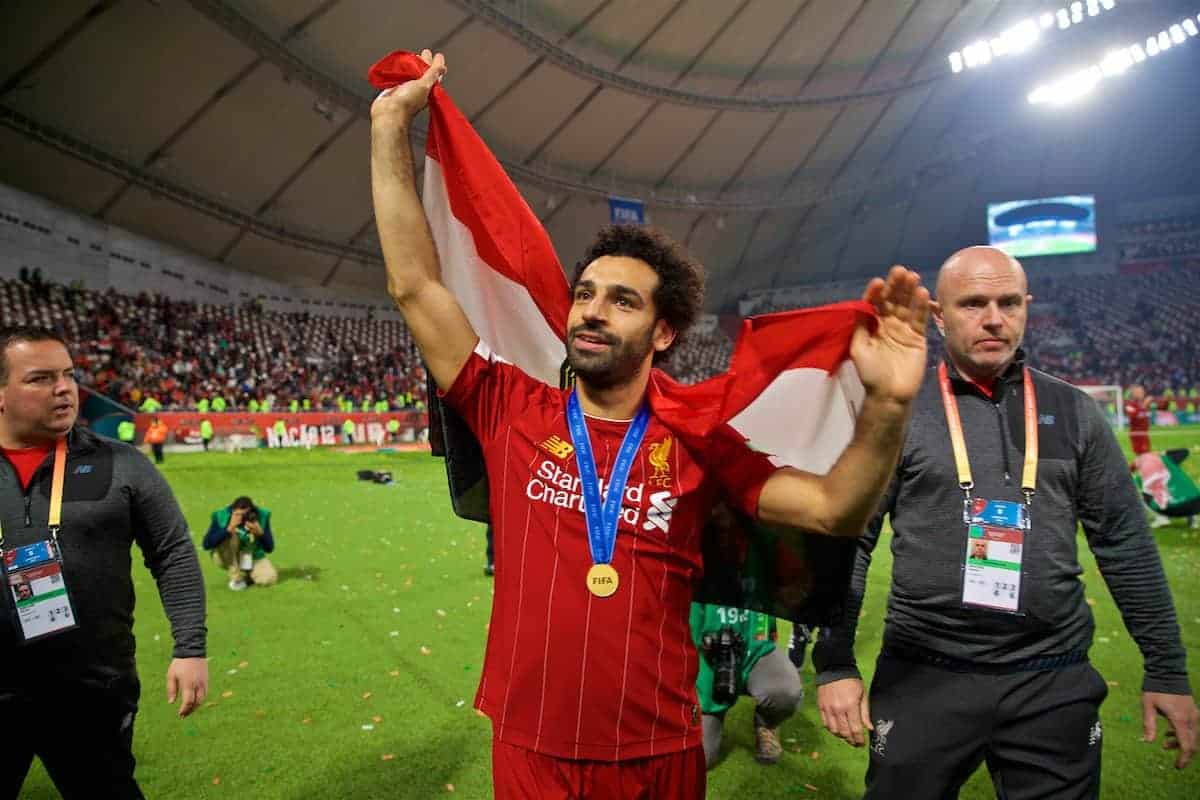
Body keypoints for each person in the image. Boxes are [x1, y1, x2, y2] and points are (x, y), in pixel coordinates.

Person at [371, 49, 929, 798]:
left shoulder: (697, 440)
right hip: (531, 744)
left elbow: (835, 508)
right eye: (586, 293)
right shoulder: (509, 405)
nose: (593, 310)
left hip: (659, 751)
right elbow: (414, 284)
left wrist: (888, 407)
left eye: (622, 301)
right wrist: (387, 127)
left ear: (663, 333)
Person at [812, 246, 1197, 798]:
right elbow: (851, 541)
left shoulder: (1074, 412)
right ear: (939, 317)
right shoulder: (897, 413)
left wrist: (1165, 668)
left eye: (1008, 302)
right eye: (973, 303)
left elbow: (1125, 544)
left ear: (1026, 307)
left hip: (1053, 680)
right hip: (924, 675)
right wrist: (835, 663)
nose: (994, 317)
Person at [0, 326, 208, 799]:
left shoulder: (123, 464)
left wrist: (190, 647)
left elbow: (173, 553)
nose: (64, 388)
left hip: (91, 686)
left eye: (69, 375)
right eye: (40, 378)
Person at [691, 603, 803, 767]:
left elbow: (766, 626)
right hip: (708, 662)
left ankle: (766, 724)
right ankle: (703, 717)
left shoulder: (758, 579)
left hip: (755, 652)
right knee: (700, 760)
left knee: (786, 692)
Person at [201, 496, 277, 591]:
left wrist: (260, 533)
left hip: (251, 556)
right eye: (238, 514)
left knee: (268, 579)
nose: (241, 518)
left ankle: (247, 577)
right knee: (230, 537)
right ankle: (237, 578)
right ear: (232, 511)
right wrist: (228, 529)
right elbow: (206, 544)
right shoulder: (221, 516)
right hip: (226, 556)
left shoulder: (261, 516)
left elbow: (269, 548)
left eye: (244, 514)